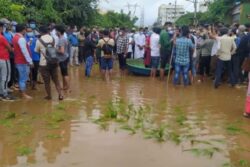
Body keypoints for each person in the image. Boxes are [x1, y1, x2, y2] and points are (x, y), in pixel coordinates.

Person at [35, 26, 63, 100]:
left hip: (44, 64)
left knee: (47, 82)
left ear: (40, 32)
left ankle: (49, 96)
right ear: (47, 31)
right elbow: (55, 48)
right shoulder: (52, 38)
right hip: (54, 62)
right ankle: (60, 95)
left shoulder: (39, 40)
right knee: (56, 80)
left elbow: (36, 51)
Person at [12, 24, 33, 99]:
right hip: (22, 61)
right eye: (25, 29)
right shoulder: (21, 39)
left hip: (18, 60)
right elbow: (24, 51)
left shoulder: (15, 37)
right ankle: (23, 94)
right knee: (23, 78)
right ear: (23, 30)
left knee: (22, 77)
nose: (26, 31)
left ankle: (22, 91)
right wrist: (30, 61)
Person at [0, 22, 15, 101]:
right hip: (4, 59)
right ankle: (4, 94)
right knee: (5, 77)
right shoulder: (2, 37)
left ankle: (1, 92)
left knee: (1, 77)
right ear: (1, 28)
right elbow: (10, 48)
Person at [55, 25, 70, 93]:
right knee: (64, 73)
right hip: (66, 57)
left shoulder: (61, 39)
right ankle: (65, 87)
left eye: (56, 31)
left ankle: (68, 88)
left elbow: (62, 51)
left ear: (58, 31)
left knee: (65, 74)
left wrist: (55, 50)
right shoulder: (64, 38)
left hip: (62, 59)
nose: (55, 32)